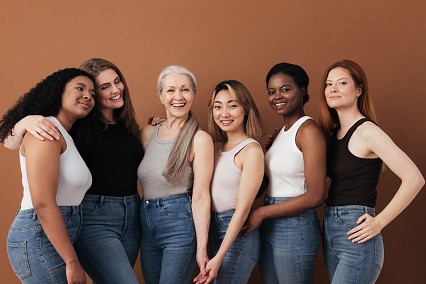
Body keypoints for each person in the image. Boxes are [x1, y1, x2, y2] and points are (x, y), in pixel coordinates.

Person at [4, 58, 158, 283]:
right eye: (103, 87)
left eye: (117, 82)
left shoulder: (130, 128)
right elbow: (13, 145)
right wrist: (25, 122)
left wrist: (163, 127)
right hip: (89, 218)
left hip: (130, 215)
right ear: (60, 92)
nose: (115, 90)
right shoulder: (71, 129)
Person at [318, 59, 424, 283]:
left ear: (358, 90)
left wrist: (379, 222)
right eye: (328, 84)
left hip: (356, 233)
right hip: (330, 230)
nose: (333, 89)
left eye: (342, 83)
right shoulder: (333, 133)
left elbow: (414, 178)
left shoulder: (367, 131)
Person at [0, 68, 95, 283]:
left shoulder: (64, 133)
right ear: (58, 92)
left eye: (92, 93)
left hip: (55, 232)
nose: (88, 96)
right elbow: (42, 203)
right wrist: (72, 262)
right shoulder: (46, 131)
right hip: (39, 234)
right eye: (80, 88)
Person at [243, 63, 326, 284]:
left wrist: (261, 213)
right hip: (272, 221)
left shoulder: (308, 131)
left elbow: (316, 196)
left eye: (285, 89)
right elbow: (266, 183)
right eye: (271, 91)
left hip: (294, 225)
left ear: (303, 90)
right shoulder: (280, 133)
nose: (277, 96)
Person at [137, 65, 214, 284]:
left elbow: (201, 196)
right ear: (160, 96)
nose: (178, 97)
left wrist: (202, 248)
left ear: (193, 94)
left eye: (185, 90)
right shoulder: (147, 133)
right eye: (170, 90)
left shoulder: (200, 139)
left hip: (179, 224)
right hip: (146, 220)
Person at [193, 80, 263, 284]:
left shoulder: (251, 151)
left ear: (246, 109)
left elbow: (243, 210)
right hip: (211, 228)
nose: (224, 113)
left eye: (232, 105)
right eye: (218, 106)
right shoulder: (214, 148)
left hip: (235, 234)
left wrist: (220, 255)